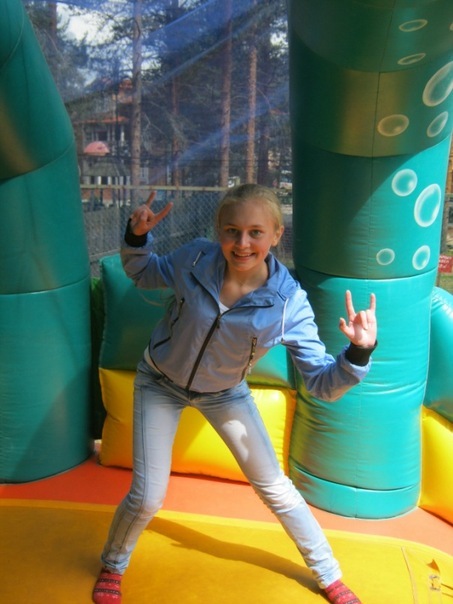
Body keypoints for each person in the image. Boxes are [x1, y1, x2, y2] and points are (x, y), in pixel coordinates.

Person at [93, 184, 377, 604]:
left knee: (276, 488)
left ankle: (330, 576)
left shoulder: (287, 304)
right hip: (159, 382)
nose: (242, 243)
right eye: (232, 231)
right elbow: (144, 273)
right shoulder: (195, 259)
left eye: (256, 232)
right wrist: (137, 238)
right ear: (219, 231)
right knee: (148, 496)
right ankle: (113, 564)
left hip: (224, 393)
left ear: (276, 235)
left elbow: (322, 382)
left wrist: (358, 352)